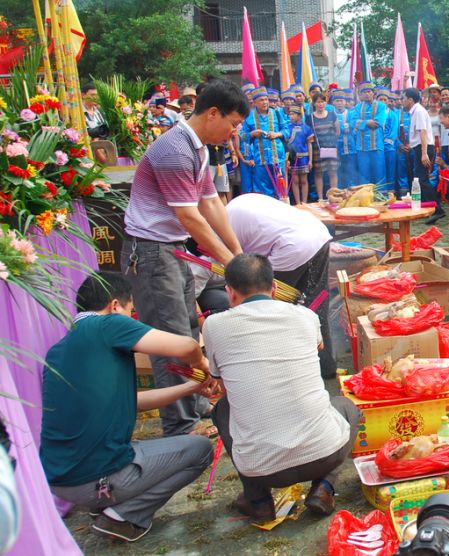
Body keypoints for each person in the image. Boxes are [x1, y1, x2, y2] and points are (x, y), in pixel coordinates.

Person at [43, 273, 215, 542]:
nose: (130, 318)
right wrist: (204, 367)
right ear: (114, 306)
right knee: (201, 449)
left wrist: (191, 388)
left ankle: (102, 506)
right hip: (99, 478)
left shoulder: (60, 349)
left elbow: (132, 402)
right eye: (130, 311)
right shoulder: (106, 325)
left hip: (62, 482)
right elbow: (188, 345)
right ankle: (124, 517)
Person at [122, 79, 245, 437]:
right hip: (150, 250)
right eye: (233, 123)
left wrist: (237, 254)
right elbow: (190, 216)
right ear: (211, 113)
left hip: (171, 249)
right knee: (170, 342)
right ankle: (180, 425)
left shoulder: (200, 148)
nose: (234, 131)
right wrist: (229, 264)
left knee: (189, 331)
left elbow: (211, 205)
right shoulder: (174, 149)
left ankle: (195, 402)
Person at [205, 254, 357, 520]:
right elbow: (318, 347)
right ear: (274, 287)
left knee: (223, 410)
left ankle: (259, 500)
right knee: (347, 407)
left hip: (262, 468)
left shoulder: (214, 325)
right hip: (325, 454)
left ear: (229, 293)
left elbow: (217, 378)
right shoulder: (305, 316)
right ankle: (324, 486)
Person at [405, 87, 445, 223]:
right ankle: (428, 208)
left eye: (403, 98)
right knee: (419, 179)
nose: (402, 101)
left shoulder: (419, 111)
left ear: (410, 99)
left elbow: (422, 132)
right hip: (420, 148)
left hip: (424, 148)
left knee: (422, 179)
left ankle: (437, 209)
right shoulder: (416, 111)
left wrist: (423, 153)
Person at [241, 87, 288, 198]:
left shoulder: (276, 113)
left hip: (277, 157)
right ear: (255, 102)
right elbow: (242, 135)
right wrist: (253, 134)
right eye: (261, 100)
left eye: (266, 99)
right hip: (260, 159)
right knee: (262, 190)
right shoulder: (250, 116)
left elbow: (286, 130)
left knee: (280, 187)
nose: (265, 102)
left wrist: (277, 134)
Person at [352, 83, 387, 190]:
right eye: (364, 92)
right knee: (363, 174)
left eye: (369, 92)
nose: (367, 94)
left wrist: (362, 123)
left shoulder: (381, 106)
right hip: (361, 147)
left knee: (379, 173)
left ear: (373, 93)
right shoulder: (357, 107)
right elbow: (353, 122)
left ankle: (381, 196)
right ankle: (364, 196)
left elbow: (378, 123)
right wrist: (368, 123)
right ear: (361, 95)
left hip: (377, 145)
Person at [310, 92, 339, 200]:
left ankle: (334, 195)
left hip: (330, 147)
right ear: (314, 104)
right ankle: (320, 198)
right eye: (318, 102)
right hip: (317, 148)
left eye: (322, 101)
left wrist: (330, 142)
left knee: (332, 171)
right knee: (319, 173)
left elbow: (337, 131)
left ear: (326, 102)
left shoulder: (332, 115)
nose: (320, 104)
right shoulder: (310, 118)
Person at [286, 107, 314, 204]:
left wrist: (310, 160)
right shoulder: (287, 128)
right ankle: (298, 202)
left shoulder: (307, 128)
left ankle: (305, 201)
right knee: (295, 180)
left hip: (304, 157)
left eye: (293, 114)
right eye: (290, 114)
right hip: (293, 158)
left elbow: (309, 144)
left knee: (304, 180)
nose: (291, 116)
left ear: (299, 116)